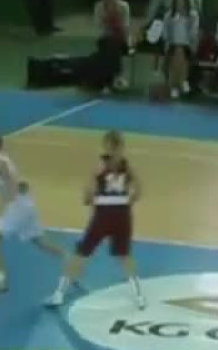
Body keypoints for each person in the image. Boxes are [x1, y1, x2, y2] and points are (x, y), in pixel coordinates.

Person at [45, 130, 145, 309]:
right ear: (122, 146)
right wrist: (126, 200)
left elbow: (88, 195)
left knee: (81, 254)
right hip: (123, 214)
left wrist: (92, 200)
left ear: (106, 146)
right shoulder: (128, 167)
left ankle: (59, 294)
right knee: (125, 256)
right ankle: (139, 297)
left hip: (103, 215)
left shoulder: (99, 167)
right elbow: (138, 191)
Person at [0, 131, 67, 294]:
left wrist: (1, 208)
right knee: (40, 242)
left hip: (17, 206)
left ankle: (1, 281)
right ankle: (69, 261)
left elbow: (12, 185)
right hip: (25, 203)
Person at [91, 0, 131, 92]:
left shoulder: (124, 6)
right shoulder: (99, 7)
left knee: (113, 45)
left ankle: (108, 81)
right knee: (109, 44)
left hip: (121, 38)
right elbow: (98, 26)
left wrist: (117, 21)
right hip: (105, 38)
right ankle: (116, 77)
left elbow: (126, 26)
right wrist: (107, 19)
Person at [162, 0, 199, 99]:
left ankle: (175, 86)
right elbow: (165, 34)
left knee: (180, 51)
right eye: (178, 2)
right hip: (172, 45)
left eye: (182, 2)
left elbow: (193, 33)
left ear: (186, 3)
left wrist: (186, 22)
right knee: (177, 51)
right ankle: (182, 81)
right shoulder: (169, 16)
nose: (180, 4)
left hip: (188, 46)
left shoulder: (193, 16)